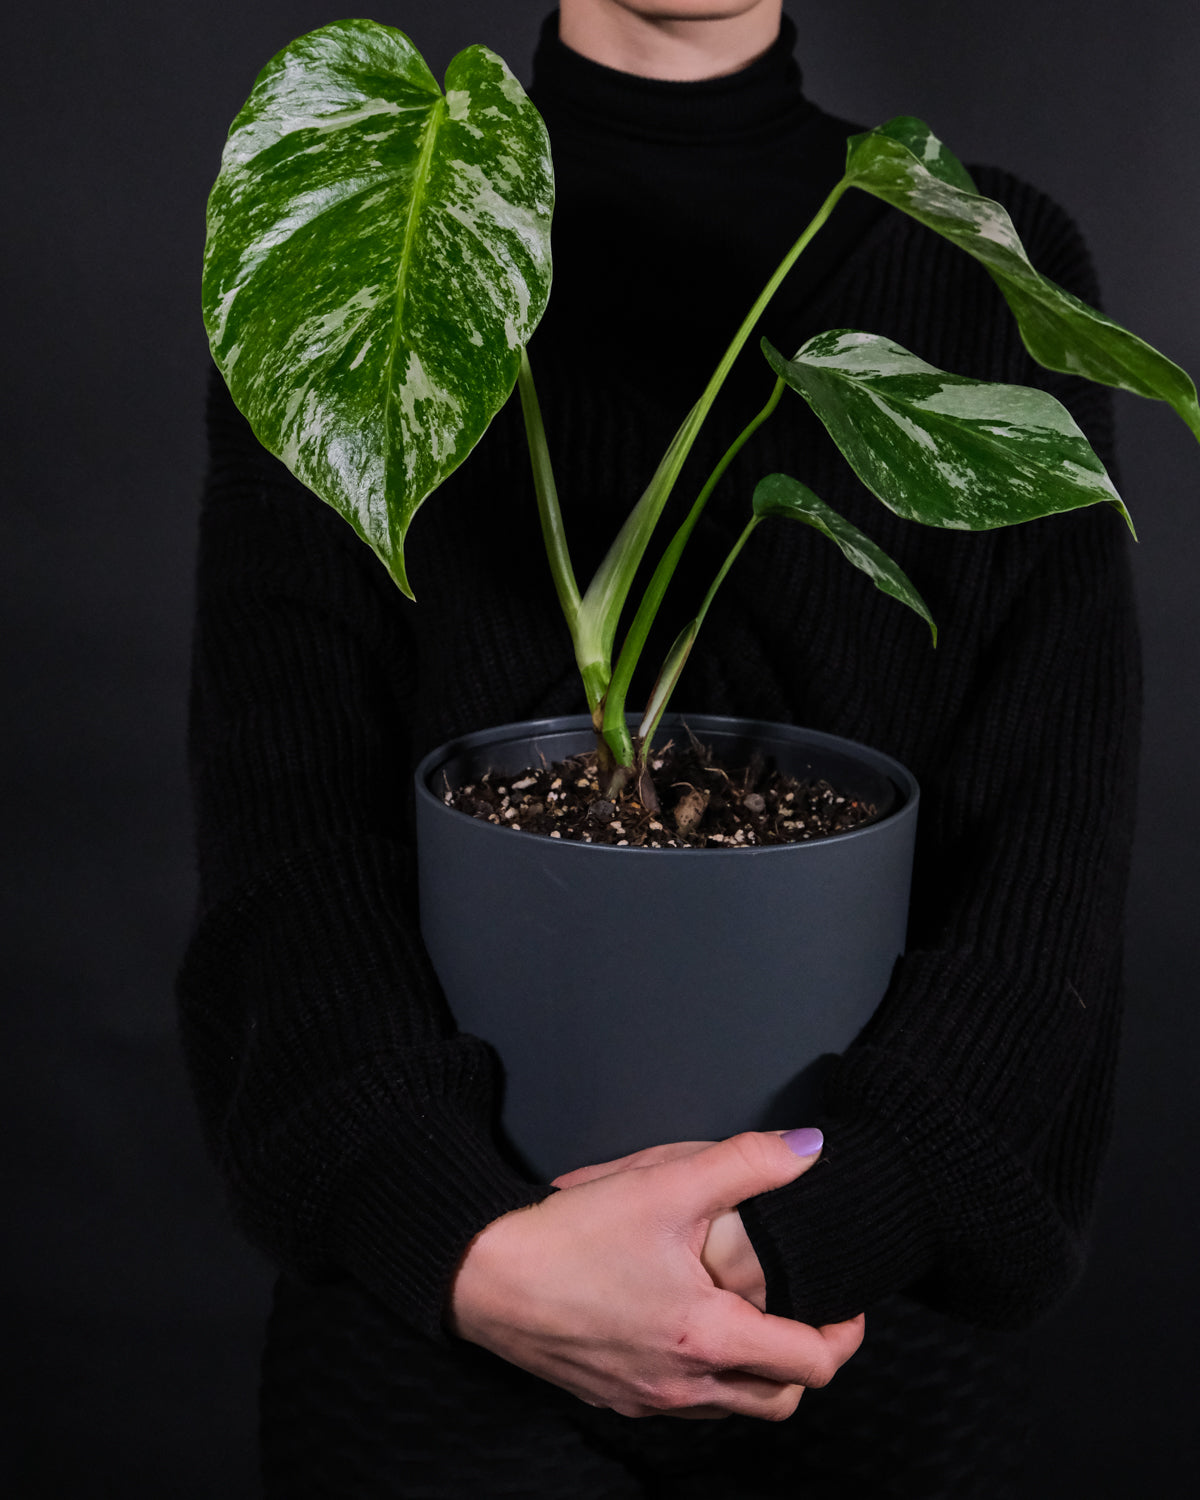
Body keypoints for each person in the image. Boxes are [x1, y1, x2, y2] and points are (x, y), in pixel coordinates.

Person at [178, 1, 1141, 1493]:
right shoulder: (365, 215)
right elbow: (286, 819)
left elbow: (1047, 857)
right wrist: (468, 1242)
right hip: (438, 1323)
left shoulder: (975, 251)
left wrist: (818, 1225)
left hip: (869, 1320)